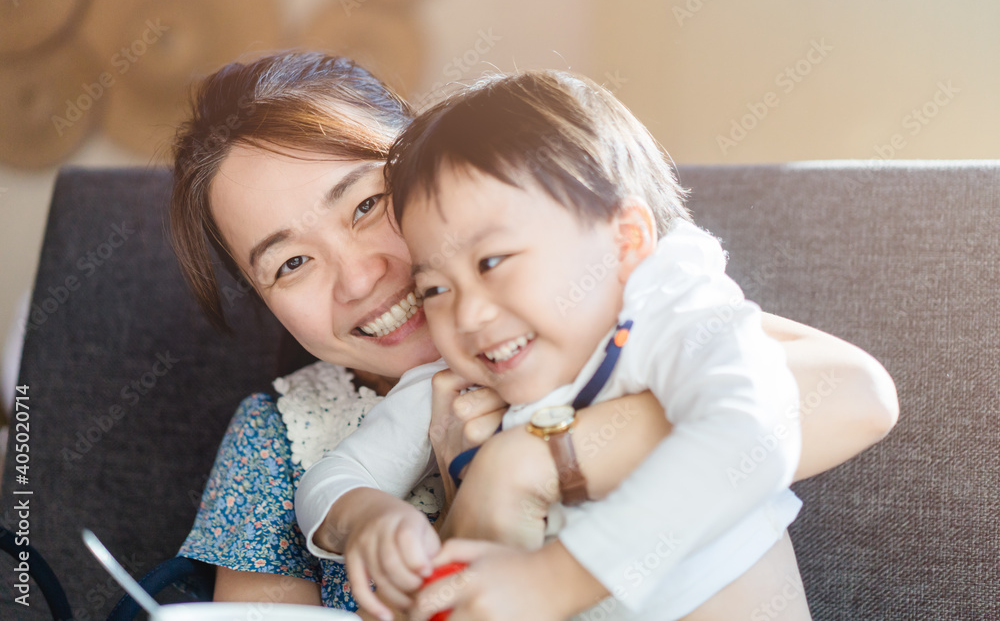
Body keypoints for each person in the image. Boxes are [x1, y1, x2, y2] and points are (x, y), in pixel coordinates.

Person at [168, 51, 898, 615]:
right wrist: (400, 519)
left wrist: (527, 463)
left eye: (366, 205)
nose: (361, 277)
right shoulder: (280, 438)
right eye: (291, 262)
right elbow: (337, 497)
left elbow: (846, 394)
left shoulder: (621, 304)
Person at [296, 69, 805, 621]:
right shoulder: (470, 372)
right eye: (435, 289)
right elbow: (331, 481)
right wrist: (370, 518)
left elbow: (751, 432)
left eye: (493, 262)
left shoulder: (671, 314)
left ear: (625, 240)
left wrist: (556, 579)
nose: (468, 313)